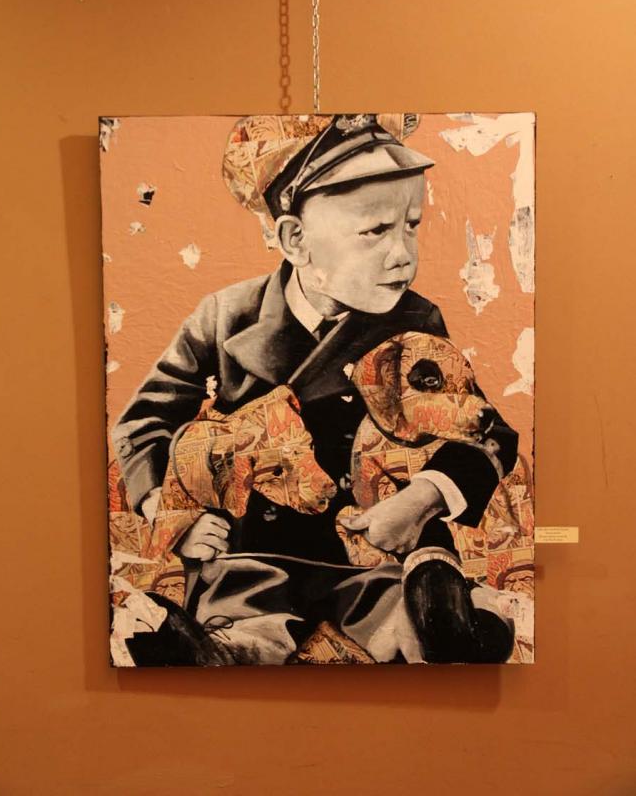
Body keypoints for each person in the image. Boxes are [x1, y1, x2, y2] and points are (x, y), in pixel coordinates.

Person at [112, 113, 518, 664]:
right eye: (375, 231)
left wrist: (420, 499)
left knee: (408, 622)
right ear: (295, 239)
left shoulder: (415, 320)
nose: (403, 253)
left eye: (411, 225)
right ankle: (192, 646)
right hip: (256, 550)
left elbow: (488, 433)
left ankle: (453, 614)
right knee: (243, 633)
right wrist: (174, 513)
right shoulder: (226, 316)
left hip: (377, 545)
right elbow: (146, 420)